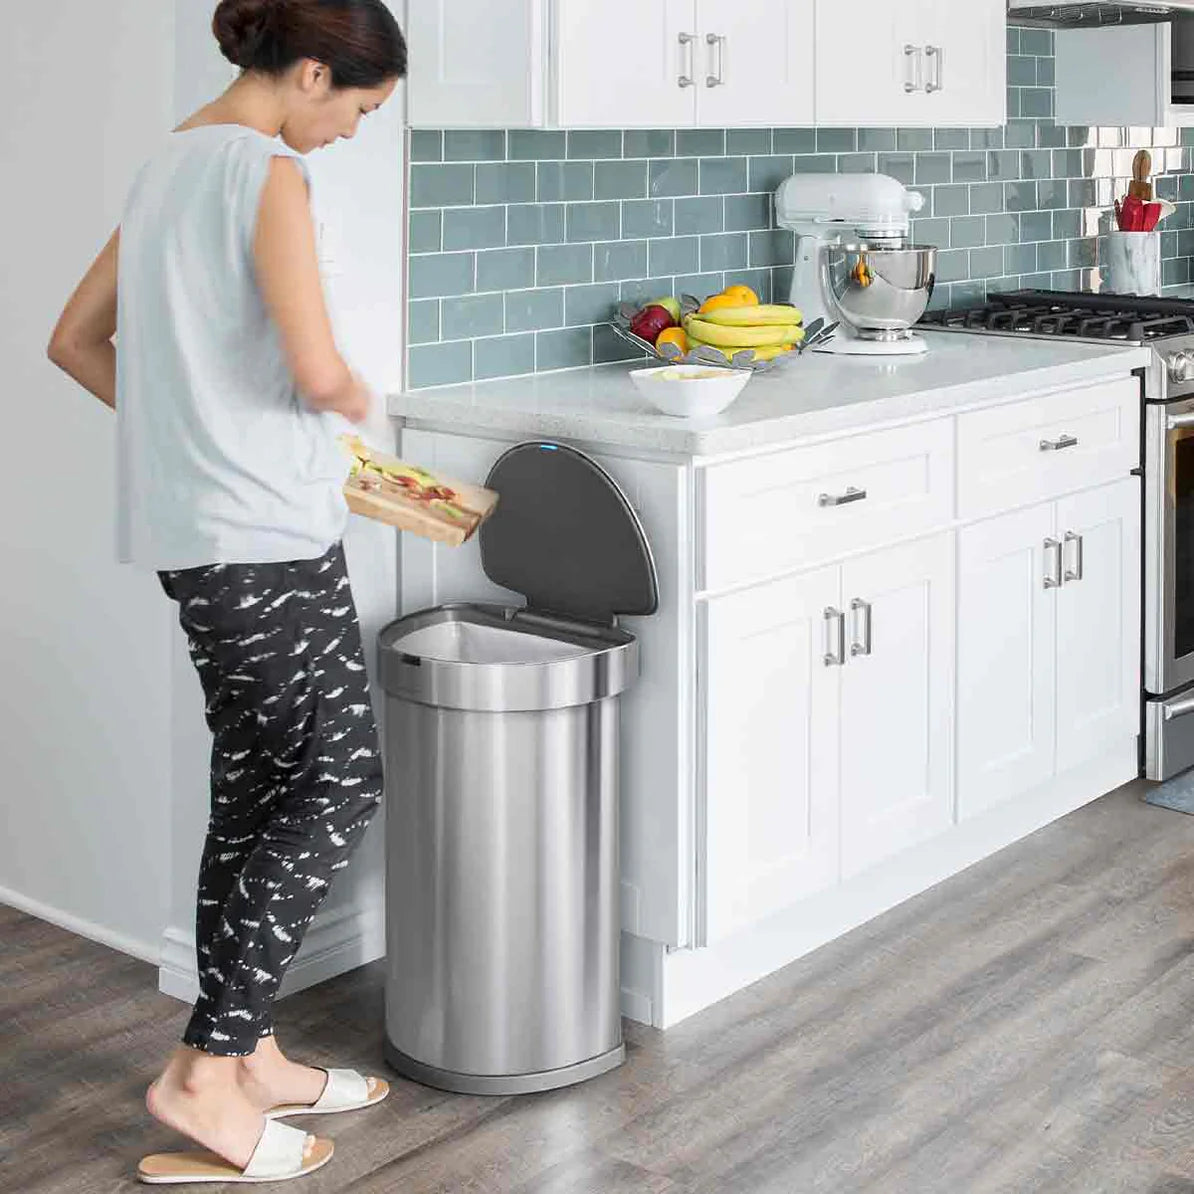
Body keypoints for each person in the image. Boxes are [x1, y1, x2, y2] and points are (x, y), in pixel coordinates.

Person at [47, 0, 407, 1183]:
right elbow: (313, 371)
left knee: (257, 791)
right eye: (358, 107)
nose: (353, 131)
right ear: (312, 73)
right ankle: (203, 1076)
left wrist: (193, 441)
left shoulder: (165, 168)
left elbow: (75, 341)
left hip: (205, 538)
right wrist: (362, 415)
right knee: (338, 780)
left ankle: (248, 1051)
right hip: (265, 536)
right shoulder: (265, 175)